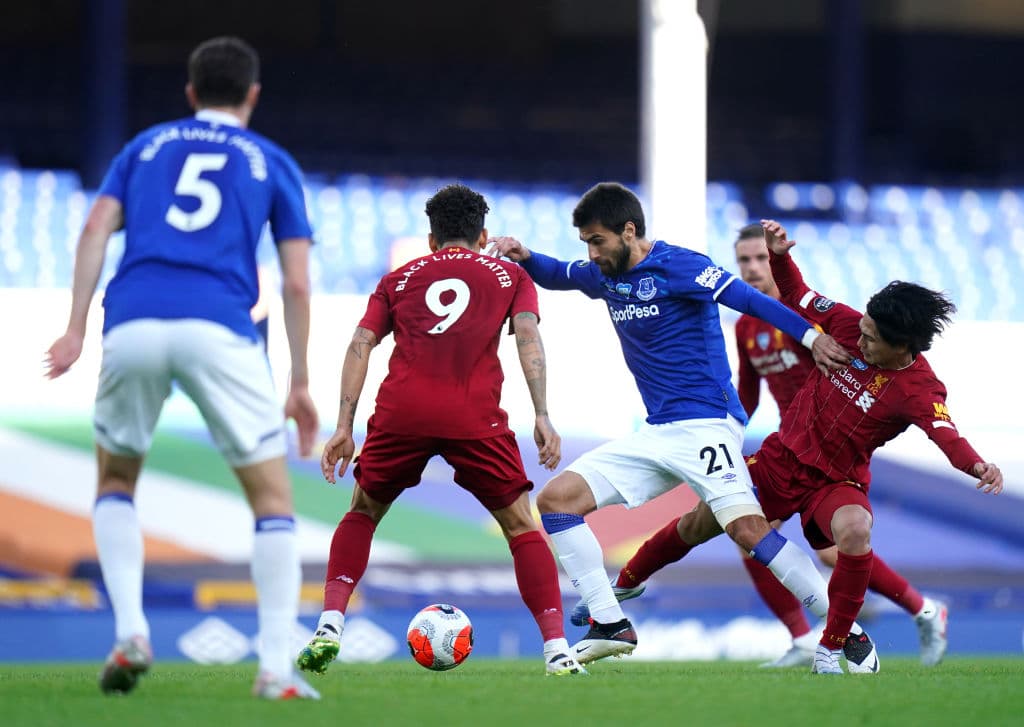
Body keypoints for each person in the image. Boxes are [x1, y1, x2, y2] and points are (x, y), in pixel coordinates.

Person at [582, 218, 1004, 674]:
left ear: (902, 346)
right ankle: (625, 584)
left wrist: (978, 466)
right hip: (780, 459)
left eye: (870, 338)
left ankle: (832, 645)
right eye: (861, 329)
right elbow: (799, 295)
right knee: (701, 523)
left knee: (853, 532)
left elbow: (946, 435)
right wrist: (780, 256)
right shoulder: (837, 324)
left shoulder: (920, 389)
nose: (858, 339)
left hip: (836, 479)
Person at [487, 182, 866, 669]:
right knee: (556, 501)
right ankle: (610, 625)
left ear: (629, 230)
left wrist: (811, 337)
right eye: (586, 243)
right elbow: (558, 274)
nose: (591, 253)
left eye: (597, 241)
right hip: (658, 432)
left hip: (709, 423)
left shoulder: (681, 266)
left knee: (748, 530)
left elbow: (750, 300)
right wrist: (525, 256)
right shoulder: (605, 274)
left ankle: (847, 633)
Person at [44, 37, 320, 700]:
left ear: (191, 93)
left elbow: (94, 229)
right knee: (272, 500)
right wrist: (300, 381)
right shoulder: (271, 160)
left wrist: (75, 327)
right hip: (220, 325)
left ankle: (131, 632)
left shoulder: (144, 147)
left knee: (116, 479)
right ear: (252, 95)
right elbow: (296, 283)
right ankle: (274, 669)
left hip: (133, 318)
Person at [298, 183, 586, 678]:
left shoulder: (399, 278)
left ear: (431, 239)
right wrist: (541, 413)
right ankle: (558, 649)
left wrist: (344, 426)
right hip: (473, 417)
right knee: (521, 526)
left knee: (363, 512)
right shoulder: (511, 276)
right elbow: (528, 337)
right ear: (483, 236)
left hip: (402, 412)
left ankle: (329, 623)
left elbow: (361, 342)